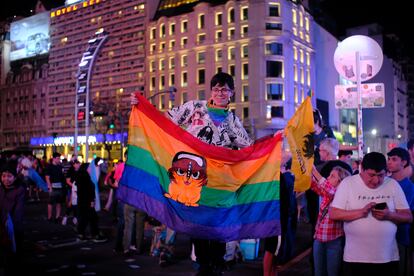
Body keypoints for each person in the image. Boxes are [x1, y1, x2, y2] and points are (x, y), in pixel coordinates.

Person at [131, 72, 254, 275]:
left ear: (231, 92)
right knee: (198, 228)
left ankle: (215, 266)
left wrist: (272, 143)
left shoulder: (233, 121)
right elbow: (164, 121)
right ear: (211, 91)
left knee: (217, 230)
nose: (220, 93)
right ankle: (204, 267)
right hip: (194, 180)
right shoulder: (194, 108)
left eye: (225, 89)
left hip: (219, 185)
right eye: (216, 88)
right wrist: (140, 105)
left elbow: (248, 149)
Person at [330, 152, 413, 275]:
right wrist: (361, 212)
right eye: (371, 175)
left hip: (387, 258)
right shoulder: (348, 183)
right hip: (355, 259)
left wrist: (389, 215)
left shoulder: (392, 185)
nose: (376, 180)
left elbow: (408, 217)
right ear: (362, 169)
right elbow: (334, 214)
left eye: (381, 175)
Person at [311, 165, 351, 276]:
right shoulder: (328, 193)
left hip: (334, 241)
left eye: (332, 176)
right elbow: (314, 185)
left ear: (341, 181)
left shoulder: (339, 194)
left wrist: (314, 171)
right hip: (319, 239)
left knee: (332, 273)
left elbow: (330, 190)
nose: (328, 178)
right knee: (318, 272)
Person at [386, 147, 414, 276]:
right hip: (383, 236)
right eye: (389, 159)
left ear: (403, 162)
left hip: (400, 236)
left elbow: (403, 211)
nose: (389, 162)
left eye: (394, 159)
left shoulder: (408, 186)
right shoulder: (385, 182)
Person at [0, 162, 25, 275]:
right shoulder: (0, 189)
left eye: (9, 176)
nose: (6, 179)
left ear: (14, 177)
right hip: (0, 225)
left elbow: (18, 211)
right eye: (4, 176)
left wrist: (12, 224)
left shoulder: (19, 190)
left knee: (13, 253)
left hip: (12, 225)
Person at [45, 152, 66, 223]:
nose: (58, 160)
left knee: (59, 203)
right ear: (53, 158)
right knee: (50, 203)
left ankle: (57, 217)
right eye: (57, 158)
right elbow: (47, 177)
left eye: (59, 158)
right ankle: (49, 217)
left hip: (60, 187)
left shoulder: (60, 167)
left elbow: (63, 177)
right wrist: (50, 187)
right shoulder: (49, 166)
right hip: (53, 186)